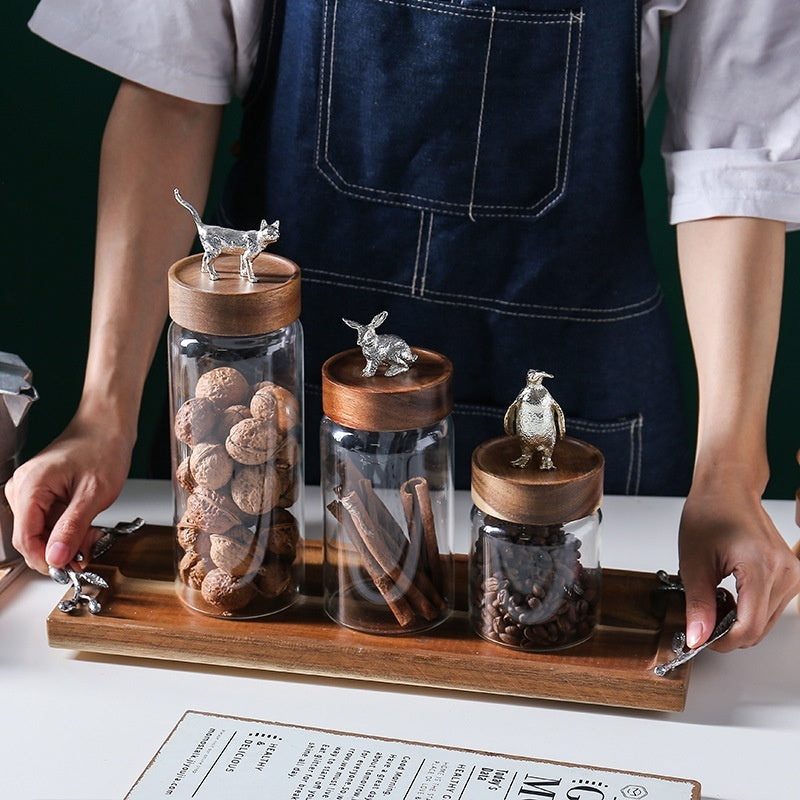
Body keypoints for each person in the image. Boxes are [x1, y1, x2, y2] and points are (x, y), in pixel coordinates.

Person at [8, 0, 800, 653]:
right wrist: (102, 412)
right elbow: (168, 93)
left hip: (574, 415)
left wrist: (730, 472)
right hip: (270, 429)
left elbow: (735, 163)